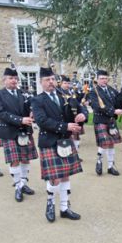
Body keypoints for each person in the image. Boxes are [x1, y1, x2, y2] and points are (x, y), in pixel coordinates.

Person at [31, 67, 87, 222]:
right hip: (49, 140)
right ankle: (50, 204)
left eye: (53, 79)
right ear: (41, 82)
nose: (51, 82)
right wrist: (65, 126)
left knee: (66, 175)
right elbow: (42, 121)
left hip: (65, 141)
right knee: (54, 177)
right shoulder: (37, 100)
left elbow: (80, 107)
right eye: (47, 80)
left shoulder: (64, 96)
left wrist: (83, 115)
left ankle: (64, 208)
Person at [0, 67, 38, 202]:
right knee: (14, 160)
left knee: (25, 158)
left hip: (25, 131)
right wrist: (20, 120)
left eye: (15, 78)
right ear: (4, 80)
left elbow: (32, 105)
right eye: (11, 78)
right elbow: (1, 113)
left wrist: (32, 111)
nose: (14, 81)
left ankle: (23, 183)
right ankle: (17, 186)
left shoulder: (23, 93)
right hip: (9, 131)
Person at [89, 70, 122, 176]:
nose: (104, 80)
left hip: (111, 120)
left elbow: (117, 101)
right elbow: (97, 106)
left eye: (106, 78)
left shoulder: (111, 90)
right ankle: (99, 161)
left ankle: (110, 167)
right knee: (104, 143)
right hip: (101, 119)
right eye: (101, 78)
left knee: (111, 144)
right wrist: (113, 111)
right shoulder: (93, 91)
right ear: (97, 79)